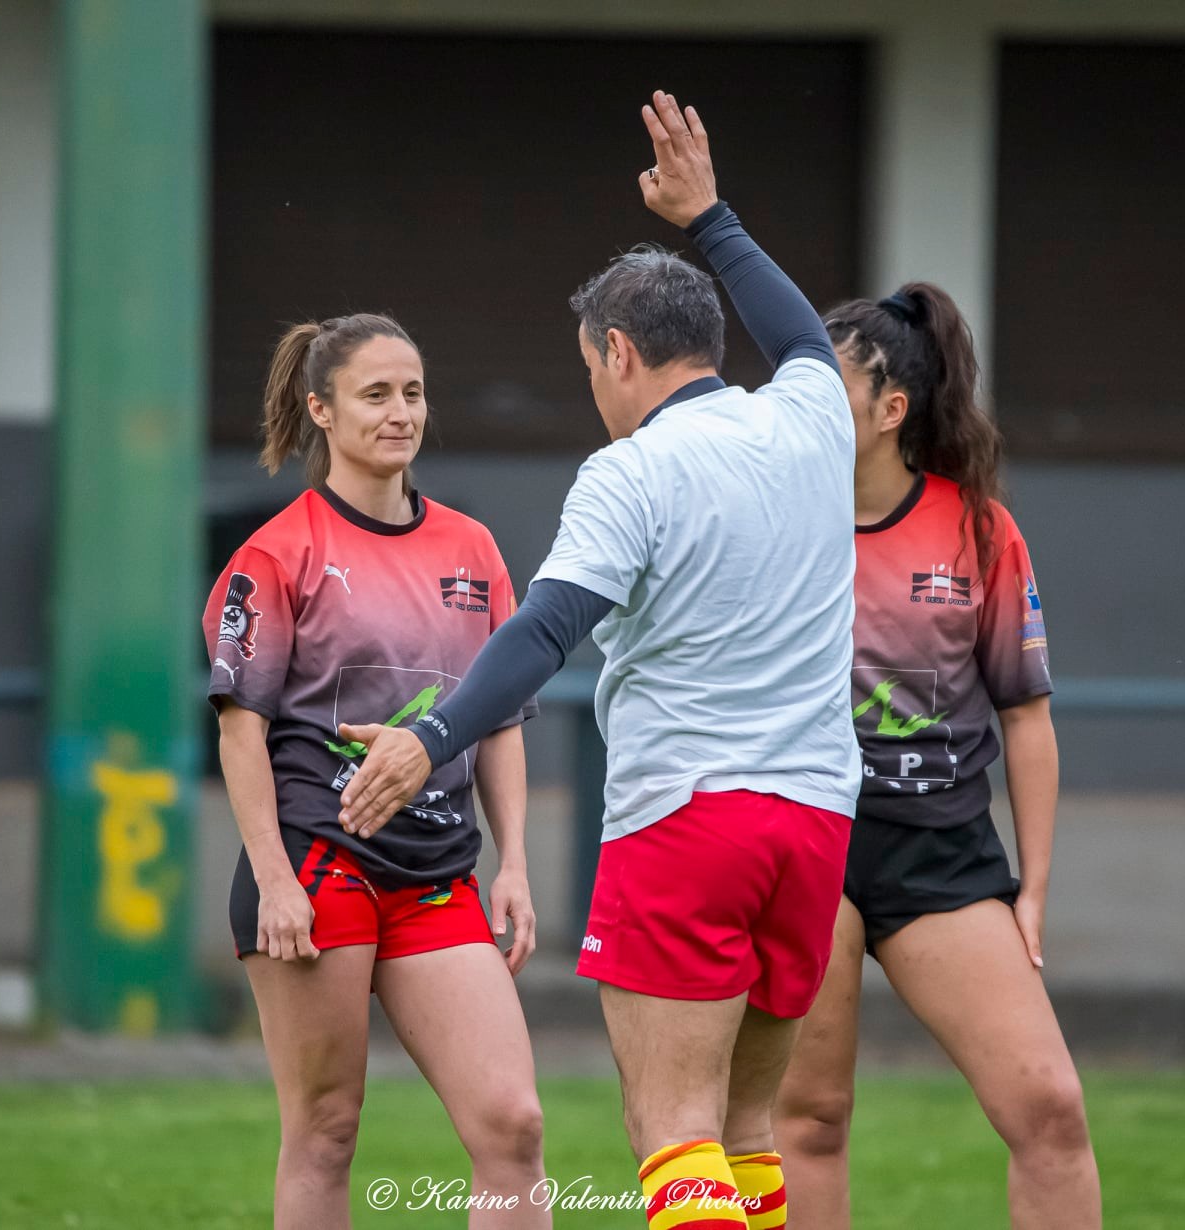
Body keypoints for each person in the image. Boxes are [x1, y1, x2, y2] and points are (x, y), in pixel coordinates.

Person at [340, 93, 860, 1230]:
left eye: (590, 368)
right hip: (816, 820)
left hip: (689, 815)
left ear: (617, 352)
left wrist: (433, 737)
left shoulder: (631, 472)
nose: (594, 392)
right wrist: (711, 217)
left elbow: (543, 628)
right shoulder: (816, 418)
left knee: (674, 1136)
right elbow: (809, 339)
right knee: (748, 1135)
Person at [203, 312, 549, 1230]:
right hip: (323, 869)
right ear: (320, 408)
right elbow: (241, 736)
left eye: (413, 393)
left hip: (439, 873)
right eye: (375, 395)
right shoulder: (277, 553)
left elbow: (501, 721)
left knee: (512, 1127)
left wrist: (512, 862)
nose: (401, 413)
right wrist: (275, 882)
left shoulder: (474, 548)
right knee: (324, 1132)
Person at [772, 285, 1102, 1228]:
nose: (798, 405)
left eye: (823, 386)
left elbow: (1026, 717)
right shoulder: (772, 525)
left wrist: (1031, 887)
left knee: (1049, 1109)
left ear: (890, 411)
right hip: (806, 843)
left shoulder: (978, 531)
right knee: (810, 1117)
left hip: (942, 854)